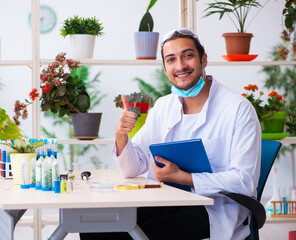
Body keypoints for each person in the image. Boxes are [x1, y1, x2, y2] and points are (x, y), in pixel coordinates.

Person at [80, 28, 261, 240]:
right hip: (167, 199)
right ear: (165, 68)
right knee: (95, 226)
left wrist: (183, 178)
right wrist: (121, 135)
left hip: (213, 210)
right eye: (171, 59)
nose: (180, 66)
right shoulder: (163, 106)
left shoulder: (238, 109)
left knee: (127, 235)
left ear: (203, 59)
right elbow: (134, 167)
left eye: (188, 56)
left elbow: (245, 181)